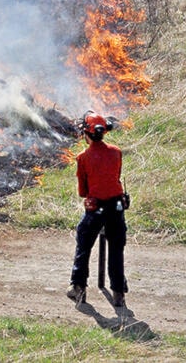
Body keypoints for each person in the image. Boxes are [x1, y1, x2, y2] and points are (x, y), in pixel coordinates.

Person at [66, 112, 129, 309]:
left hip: (96, 209)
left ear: (86, 134)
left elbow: (83, 191)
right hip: (117, 207)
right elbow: (116, 177)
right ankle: (118, 293)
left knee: (83, 243)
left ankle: (78, 288)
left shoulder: (83, 157)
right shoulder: (116, 151)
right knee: (116, 250)